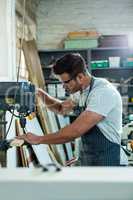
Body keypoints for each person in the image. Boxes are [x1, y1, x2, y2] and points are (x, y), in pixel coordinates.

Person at [17, 53, 128, 166]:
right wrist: (40, 93)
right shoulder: (80, 92)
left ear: (80, 77)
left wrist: (38, 139)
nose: (63, 86)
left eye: (65, 82)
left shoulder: (102, 92)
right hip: (92, 161)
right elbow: (61, 108)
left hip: (110, 162)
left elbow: (76, 130)